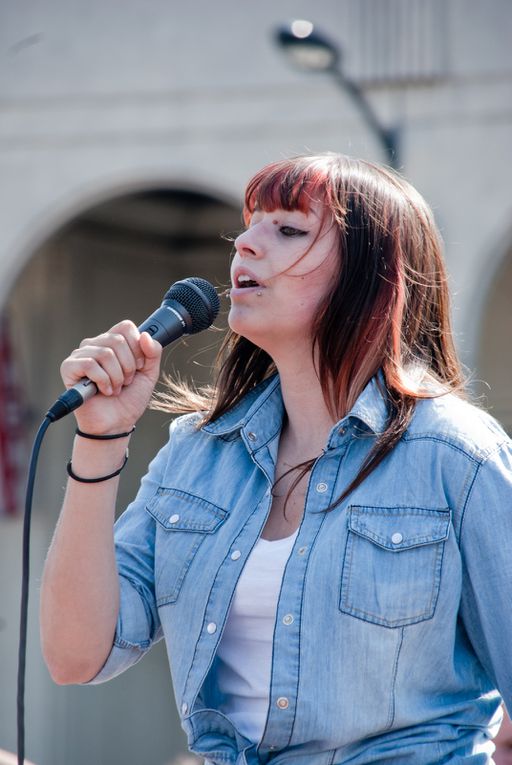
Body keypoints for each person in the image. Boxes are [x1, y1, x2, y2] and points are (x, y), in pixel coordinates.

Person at [40, 153, 512, 764]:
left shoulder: (458, 456)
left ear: (375, 277)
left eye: (288, 230)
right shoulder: (197, 455)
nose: (245, 247)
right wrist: (100, 438)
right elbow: (76, 656)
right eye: (247, 227)